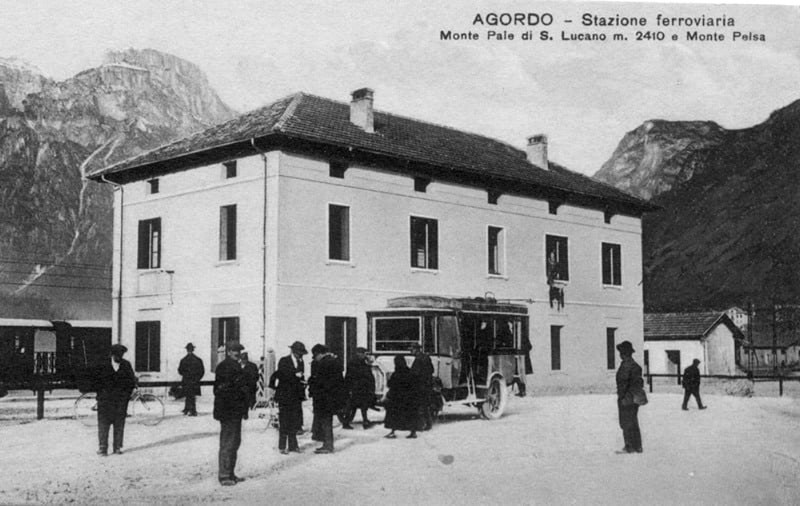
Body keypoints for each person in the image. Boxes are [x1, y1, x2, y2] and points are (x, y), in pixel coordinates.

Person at [213, 342, 249, 486]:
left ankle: (231, 473)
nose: (237, 353)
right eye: (234, 351)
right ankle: (224, 475)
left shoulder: (235, 366)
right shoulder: (225, 367)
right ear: (228, 352)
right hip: (228, 410)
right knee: (228, 442)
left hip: (235, 410)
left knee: (234, 442)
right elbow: (221, 390)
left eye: (239, 351)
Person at [95, 344, 136, 456]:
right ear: (112, 354)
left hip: (120, 401)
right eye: (117, 355)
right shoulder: (103, 365)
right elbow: (96, 382)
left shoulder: (126, 365)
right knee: (103, 424)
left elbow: (131, 382)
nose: (119, 357)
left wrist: (126, 396)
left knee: (119, 424)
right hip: (105, 401)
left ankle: (117, 447)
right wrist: (100, 396)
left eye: (121, 355)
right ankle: (103, 448)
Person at [268, 341, 308, 454]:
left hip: (296, 396)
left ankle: (293, 445)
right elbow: (282, 375)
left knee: (294, 421)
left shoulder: (301, 362)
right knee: (284, 421)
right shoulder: (284, 361)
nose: (300, 356)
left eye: (301, 354)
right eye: (299, 353)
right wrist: (295, 376)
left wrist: (302, 382)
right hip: (284, 396)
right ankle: (282, 446)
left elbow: (300, 377)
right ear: (293, 351)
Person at [307, 344, 345, 454]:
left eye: (315, 355)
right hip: (333, 396)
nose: (315, 358)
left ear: (319, 353)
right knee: (328, 420)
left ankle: (328, 445)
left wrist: (311, 382)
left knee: (326, 421)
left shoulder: (324, 363)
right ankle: (327, 443)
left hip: (324, 397)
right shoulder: (335, 361)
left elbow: (321, 381)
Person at [615, 340, 644, 454]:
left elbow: (623, 383)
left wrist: (621, 396)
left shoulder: (626, 366)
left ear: (623, 353)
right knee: (633, 421)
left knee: (625, 422)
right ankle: (638, 446)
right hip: (635, 397)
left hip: (626, 397)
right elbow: (639, 382)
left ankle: (629, 446)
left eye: (621, 352)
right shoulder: (636, 365)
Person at [384, 355, 419, 439]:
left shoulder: (396, 374)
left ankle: (392, 431)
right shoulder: (409, 372)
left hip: (396, 398)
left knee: (393, 415)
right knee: (410, 415)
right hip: (408, 399)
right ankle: (413, 432)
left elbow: (390, 384)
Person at [343, 347, 376, 429]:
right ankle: (347, 422)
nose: (365, 356)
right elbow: (351, 375)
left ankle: (364, 420)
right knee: (353, 405)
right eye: (364, 354)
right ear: (359, 354)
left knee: (360, 405)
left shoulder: (361, 362)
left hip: (361, 387)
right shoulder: (355, 363)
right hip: (357, 387)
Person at [410, 343, 434, 431]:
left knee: (419, 406)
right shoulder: (426, 357)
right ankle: (428, 424)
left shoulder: (418, 359)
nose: (411, 351)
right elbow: (432, 370)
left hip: (420, 386)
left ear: (417, 349)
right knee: (425, 405)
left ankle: (421, 425)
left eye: (412, 349)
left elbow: (415, 373)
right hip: (427, 385)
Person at [178, 342, 204, 416]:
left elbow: (180, 370)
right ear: (193, 350)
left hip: (186, 380)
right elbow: (202, 371)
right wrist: (197, 378)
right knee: (192, 395)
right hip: (195, 381)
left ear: (187, 350)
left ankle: (189, 410)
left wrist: (186, 376)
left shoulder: (183, 360)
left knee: (188, 395)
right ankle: (190, 409)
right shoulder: (198, 360)